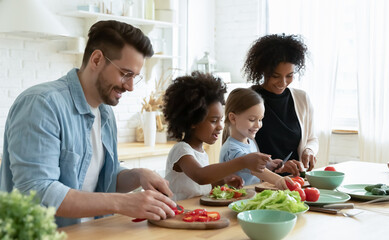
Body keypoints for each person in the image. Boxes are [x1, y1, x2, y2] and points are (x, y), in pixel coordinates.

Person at [0, 20, 176, 227]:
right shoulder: (42, 105)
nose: (130, 87)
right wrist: (122, 203)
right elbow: (37, 192)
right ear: (97, 59)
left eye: (134, 77)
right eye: (125, 74)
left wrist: (137, 175)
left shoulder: (106, 113)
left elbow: (101, 179)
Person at [162, 72, 272, 201]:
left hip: (194, 214)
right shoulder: (181, 150)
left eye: (221, 120)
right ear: (193, 121)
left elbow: (198, 186)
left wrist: (223, 181)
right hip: (177, 213)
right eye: (214, 121)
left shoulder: (201, 152)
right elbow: (200, 176)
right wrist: (243, 161)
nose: (220, 126)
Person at [242, 33, 319, 177]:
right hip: (260, 183)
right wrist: (277, 166)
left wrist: (309, 151)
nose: (283, 83)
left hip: (295, 180)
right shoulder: (246, 100)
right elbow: (237, 153)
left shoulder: (302, 99)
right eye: (276, 76)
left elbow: (312, 139)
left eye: (289, 75)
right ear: (263, 71)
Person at [219, 88, 293, 188]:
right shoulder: (231, 149)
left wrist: (268, 165)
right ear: (233, 118)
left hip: (250, 196)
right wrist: (278, 180)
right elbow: (254, 170)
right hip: (237, 201)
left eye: (260, 119)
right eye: (252, 119)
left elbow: (251, 167)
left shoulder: (250, 141)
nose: (258, 125)